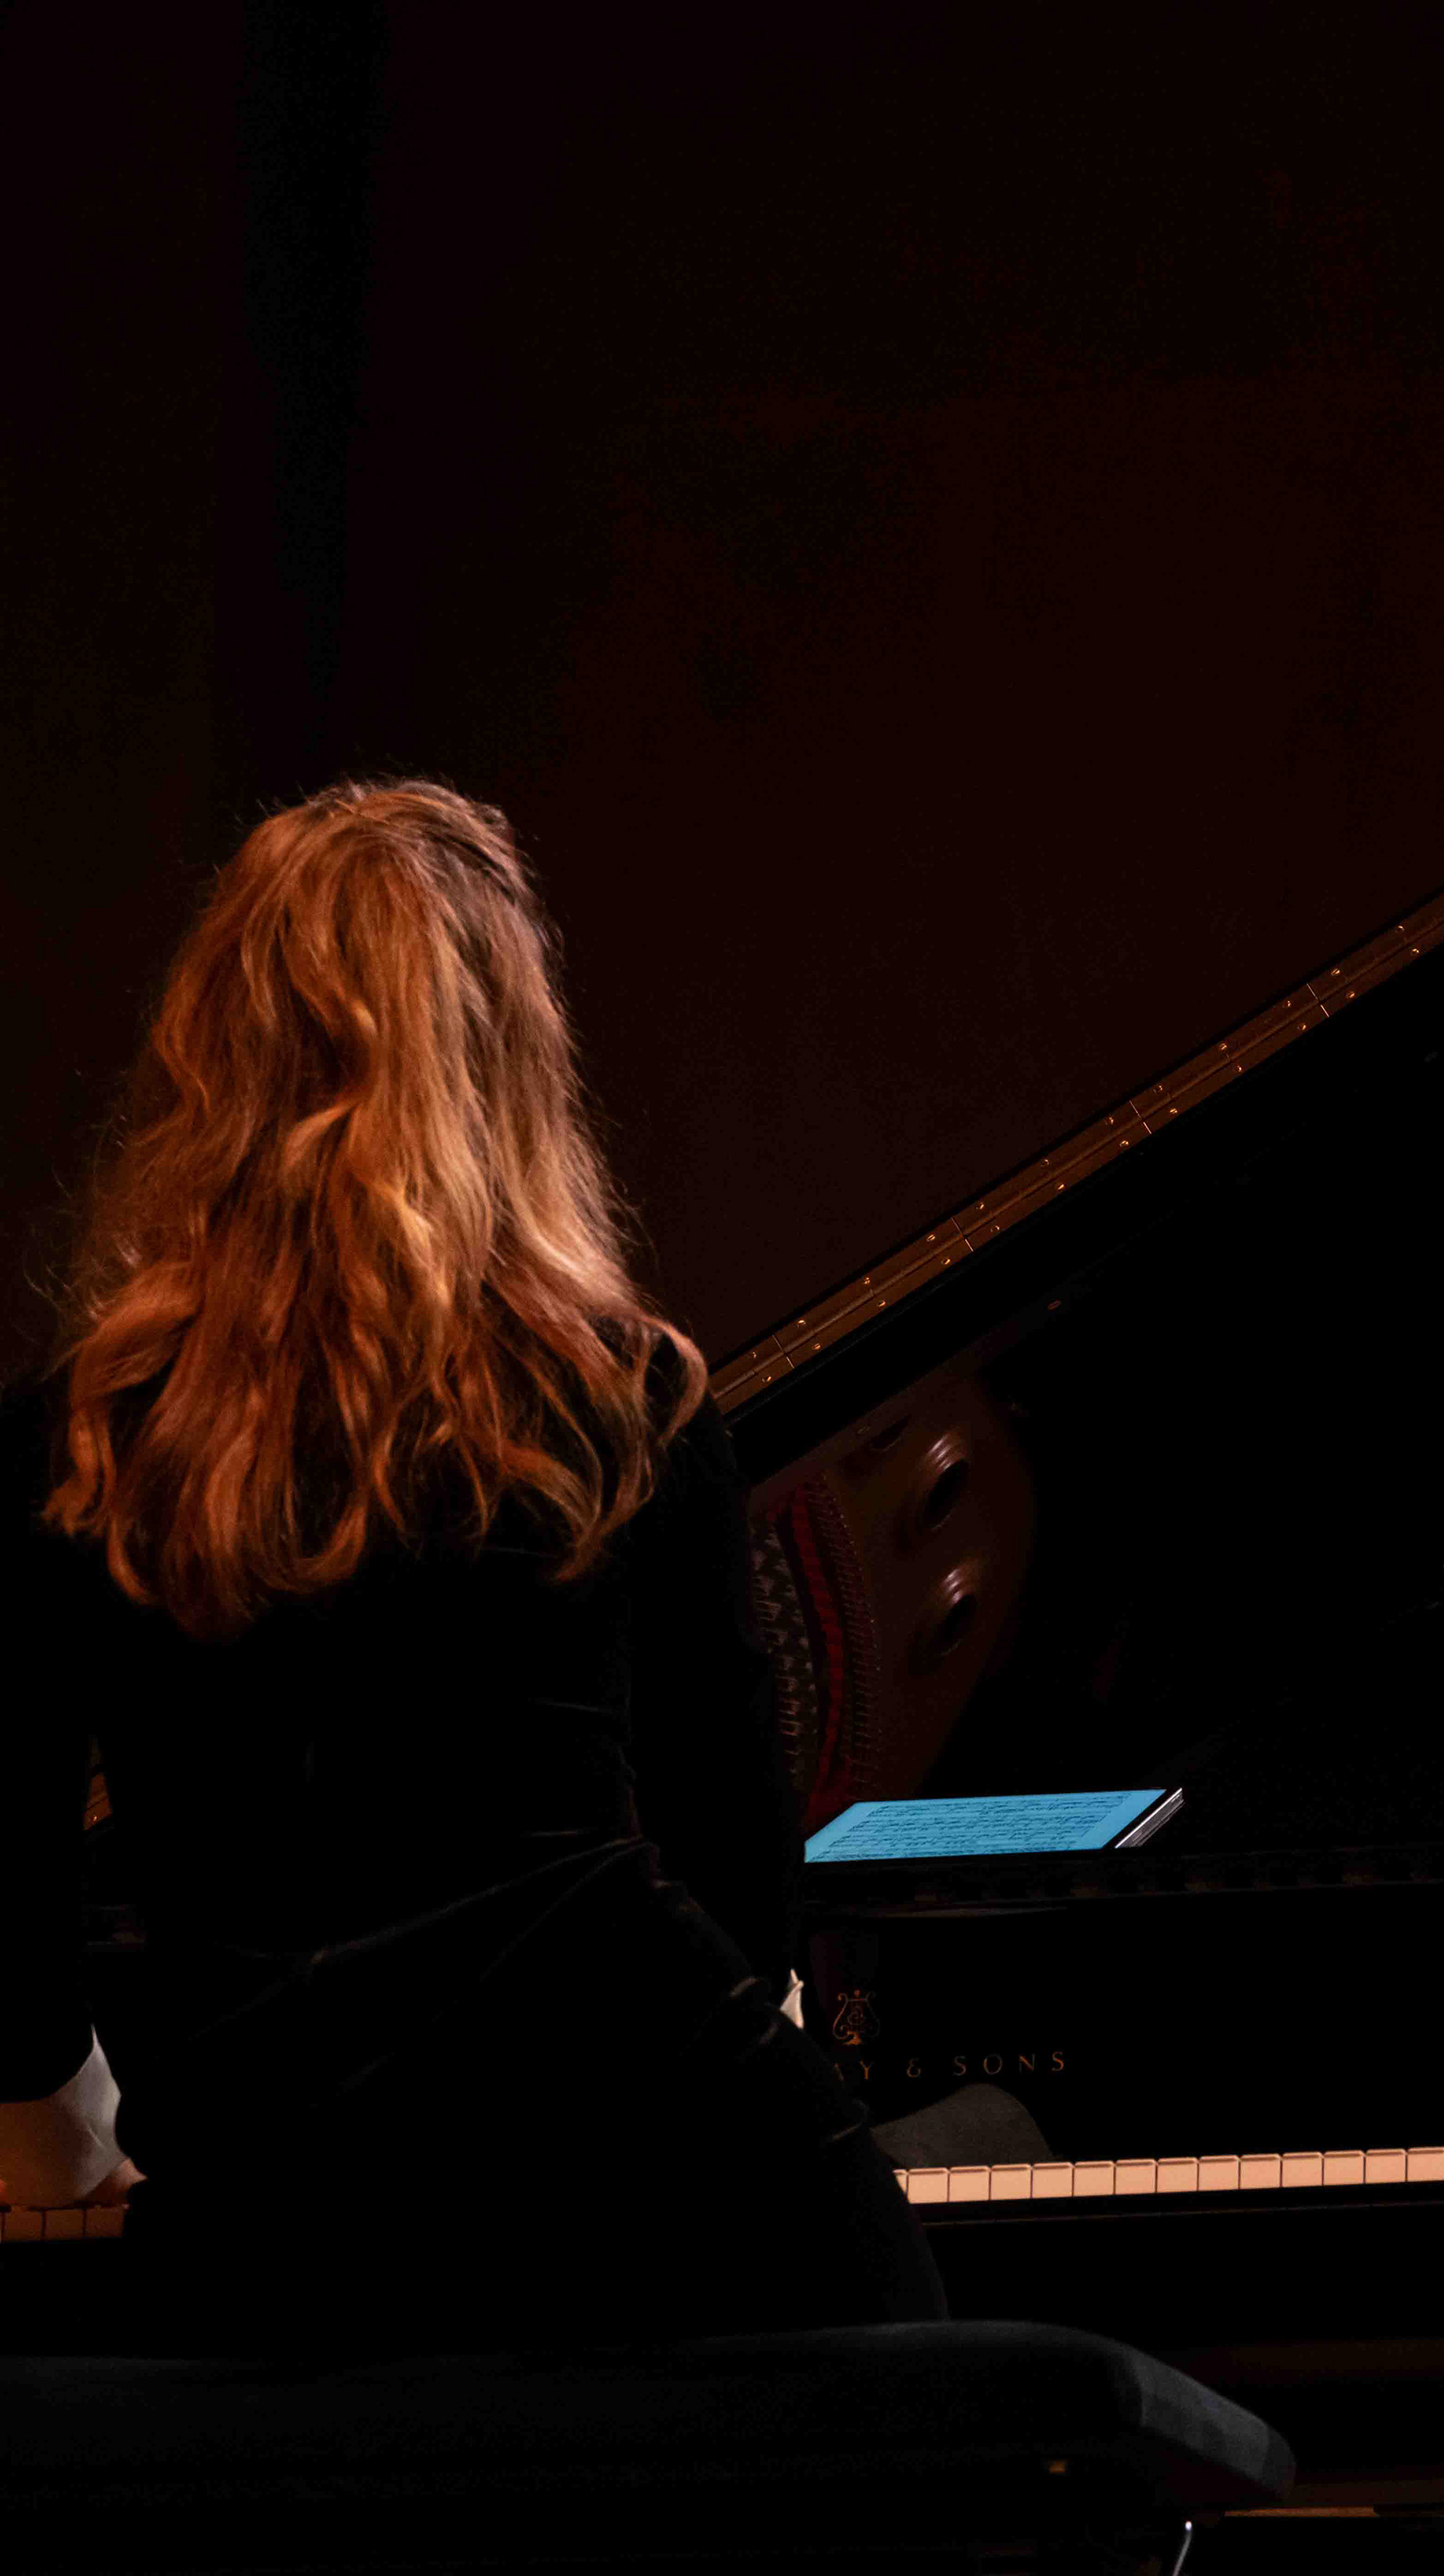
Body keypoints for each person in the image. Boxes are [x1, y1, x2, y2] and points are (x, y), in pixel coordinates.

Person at [0, 781, 943, 2352]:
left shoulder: (79, 1435)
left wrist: (64, 2141)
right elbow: (734, 1863)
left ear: (213, 1054)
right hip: (667, 2157)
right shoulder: (630, 1398)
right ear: (510, 1062)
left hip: (281, 2217)